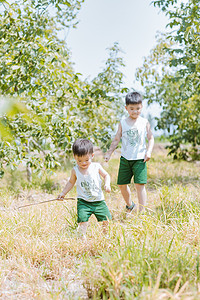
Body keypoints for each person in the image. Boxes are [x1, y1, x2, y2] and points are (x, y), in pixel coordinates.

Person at [104, 91, 154, 214]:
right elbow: (116, 139)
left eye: (137, 108)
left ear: (141, 107)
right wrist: (109, 153)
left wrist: (149, 152)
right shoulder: (123, 123)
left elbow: (151, 138)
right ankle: (130, 205)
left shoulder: (144, 122)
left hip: (140, 159)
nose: (135, 111)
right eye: (132, 109)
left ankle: (142, 212)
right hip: (125, 159)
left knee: (139, 185)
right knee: (121, 184)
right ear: (126, 108)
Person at [57, 138, 112, 239]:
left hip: (98, 200)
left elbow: (106, 175)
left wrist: (107, 184)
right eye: (79, 160)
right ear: (74, 157)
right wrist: (63, 193)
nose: (83, 163)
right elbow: (70, 182)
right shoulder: (75, 170)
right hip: (83, 202)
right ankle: (82, 239)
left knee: (106, 219)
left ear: (92, 155)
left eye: (87, 160)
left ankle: (106, 236)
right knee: (83, 221)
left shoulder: (96, 166)